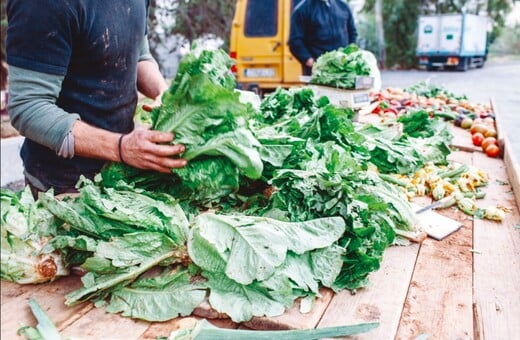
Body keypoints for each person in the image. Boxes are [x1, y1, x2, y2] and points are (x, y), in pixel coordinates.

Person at [6, 0, 187, 197]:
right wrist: (121, 147)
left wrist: (163, 92)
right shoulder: (42, 5)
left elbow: (139, 53)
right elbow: (27, 106)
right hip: (62, 187)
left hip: (123, 175)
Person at [288, 0, 358, 76]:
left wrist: (349, 55)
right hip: (318, 72)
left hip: (343, 68)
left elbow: (352, 32)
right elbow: (295, 41)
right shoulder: (302, 9)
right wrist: (310, 61)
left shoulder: (343, 6)